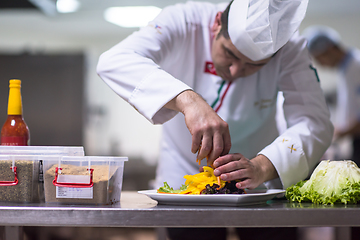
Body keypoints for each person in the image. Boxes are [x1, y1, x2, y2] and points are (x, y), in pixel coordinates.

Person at [97, 0, 333, 239]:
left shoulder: (289, 48)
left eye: (253, 66)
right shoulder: (185, 21)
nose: (234, 72)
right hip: (183, 169)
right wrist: (188, 100)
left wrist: (262, 166)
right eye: (229, 54)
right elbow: (114, 60)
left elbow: (314, 121)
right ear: (217, 23)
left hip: (260, 176)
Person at [303, 25, 360, 167]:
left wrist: (339, 132)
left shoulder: (357, 66)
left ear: (329, 49)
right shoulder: (346, 69)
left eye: (319, 58)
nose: (320, 64)